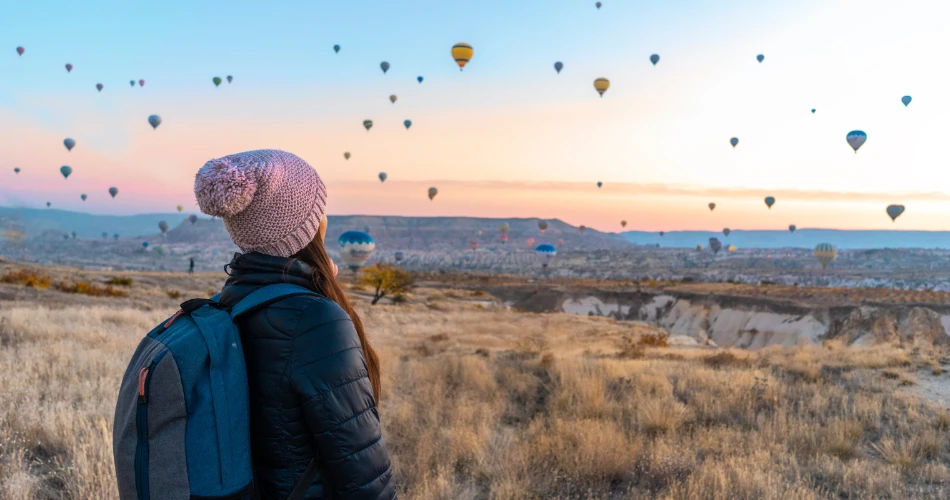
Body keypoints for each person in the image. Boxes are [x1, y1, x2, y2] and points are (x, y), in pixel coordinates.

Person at [194, 149, 395, 499]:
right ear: (309, 225)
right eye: (319, 209)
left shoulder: (230, 301)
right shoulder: (315, 319)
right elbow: (363, 472)